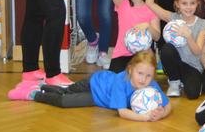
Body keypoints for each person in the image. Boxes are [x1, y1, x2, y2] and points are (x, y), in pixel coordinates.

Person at [32, 50, 171, 122]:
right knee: (67, 92)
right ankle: (38, 91)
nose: (143, 79)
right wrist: (146, 118)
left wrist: (161, 114)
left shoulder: (151, 85)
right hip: (94, 83)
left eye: (148, 76)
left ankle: (40, 93)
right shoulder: (121, 81)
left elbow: (168, 104)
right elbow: (122, 112)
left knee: (65, 101)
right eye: (140, 73)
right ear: (130, 69)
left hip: (97, 99)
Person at [146, 0, 205, 99]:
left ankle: (185, 81)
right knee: (167, 48)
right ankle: (174, 82)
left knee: (192, 94)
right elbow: (150, 3)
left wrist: (188, 35)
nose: (188, 7)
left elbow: (198, 51)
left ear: (197, 3)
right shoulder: (172, 17)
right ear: (177, 5)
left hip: (192, 66)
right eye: (184, 3)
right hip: (174, 64)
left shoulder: (203, 24)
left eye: (192, 3)